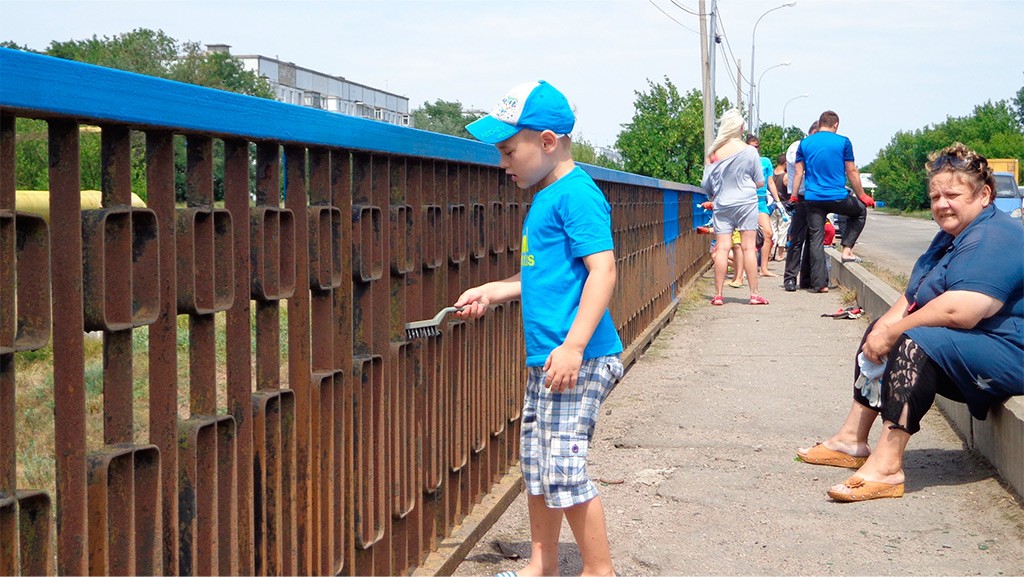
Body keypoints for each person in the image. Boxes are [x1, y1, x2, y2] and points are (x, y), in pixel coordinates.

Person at [455, 80, 624, 577]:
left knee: (565, 472)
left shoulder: (577, 195)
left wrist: (573, 347)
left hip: (579, 357)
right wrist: (493, 289)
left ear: (547, 142)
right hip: (549, 358)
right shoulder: (546, 195)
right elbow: (541, 276)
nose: (502, 163)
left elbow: (603, 269)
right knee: (538, 465)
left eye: (509, 151)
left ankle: (599, 571)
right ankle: (542, 565)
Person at [797, 143, 1024, 502]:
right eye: (935, 196)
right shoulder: (950, 236)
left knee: (916, 339)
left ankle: (887, 467)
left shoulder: (997, 236)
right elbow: (915, 296)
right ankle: (851, 441)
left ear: (984, 195)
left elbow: (961, 310)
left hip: (1012, 351)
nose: (941, 204)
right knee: (883, 329)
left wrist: (896, 332)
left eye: (952, 194)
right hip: (976, 344)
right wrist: (883, 330)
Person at [792, 110, 876, 293]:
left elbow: (799, 173)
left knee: (815, 238)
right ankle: (847, 249)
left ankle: (819, 284)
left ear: (820, 123)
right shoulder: (843, 142)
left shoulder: (805, 143)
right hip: (838, 197)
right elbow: (852, 171)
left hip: (813, 198)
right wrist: (862, 196)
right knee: (860, 211)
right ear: (835, 124)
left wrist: (793, 195)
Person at [701, 109, 769, 306]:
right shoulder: (750, 151)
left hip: (723, 202)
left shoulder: (714, 152)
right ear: (740, 127)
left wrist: (714, 194)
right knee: (749, 247)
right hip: (746, 202)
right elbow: (759, 181)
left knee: (722, 248)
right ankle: (754, 294)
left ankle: (718, 295)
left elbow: (706, 183)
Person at [783, 121, 818, 292]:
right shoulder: (797, 146)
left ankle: (806, 279)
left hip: (816, 197)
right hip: (800, 197)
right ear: (813, 132)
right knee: (797, 240)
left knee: (814, 241)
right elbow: (799, 167)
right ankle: (790, 278)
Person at [745, 135, 781, 277]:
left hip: (760, 201)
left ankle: (763, 268)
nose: (754, 150)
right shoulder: (743, 162)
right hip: (746, 200)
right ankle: (743, 269)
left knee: (768, 233)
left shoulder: (765, 162)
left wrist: (778, 201)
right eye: (751, 147)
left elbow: (770, 182)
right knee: (745, 234)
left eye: (756, 147)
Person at [768, 153, 791, 261]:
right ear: (785, 163)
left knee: (772, 229)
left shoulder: (770, 174)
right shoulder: (785, 176)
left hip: (771, 205)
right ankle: (780, 254)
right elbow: (790, 191)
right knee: (783, 230)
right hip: (784, 206)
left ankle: (770, 253)